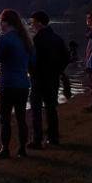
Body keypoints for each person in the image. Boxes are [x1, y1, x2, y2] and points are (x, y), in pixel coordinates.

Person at [0, 9, 32, 158]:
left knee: (5, 119)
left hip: (7, 83)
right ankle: (22, 149)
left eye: (1, 21)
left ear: (6, 22)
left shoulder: (4, 38)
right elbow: (31, 61)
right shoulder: (25, 39)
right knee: (21, 118)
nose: (0, 24)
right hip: (23, 83)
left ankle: (5, 149)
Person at [28, 11, 71, 147]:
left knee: (36, 109)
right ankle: (53, 138)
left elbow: (32, 60)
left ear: (40, 23)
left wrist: (31, 72)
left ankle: (37, 139)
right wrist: (58, 71)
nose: (32, 25)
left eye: (33, 22)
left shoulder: (37, 40)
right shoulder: (57, 38)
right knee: (51, 108)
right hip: (53, 78)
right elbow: (66, 57)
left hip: (39, 79)